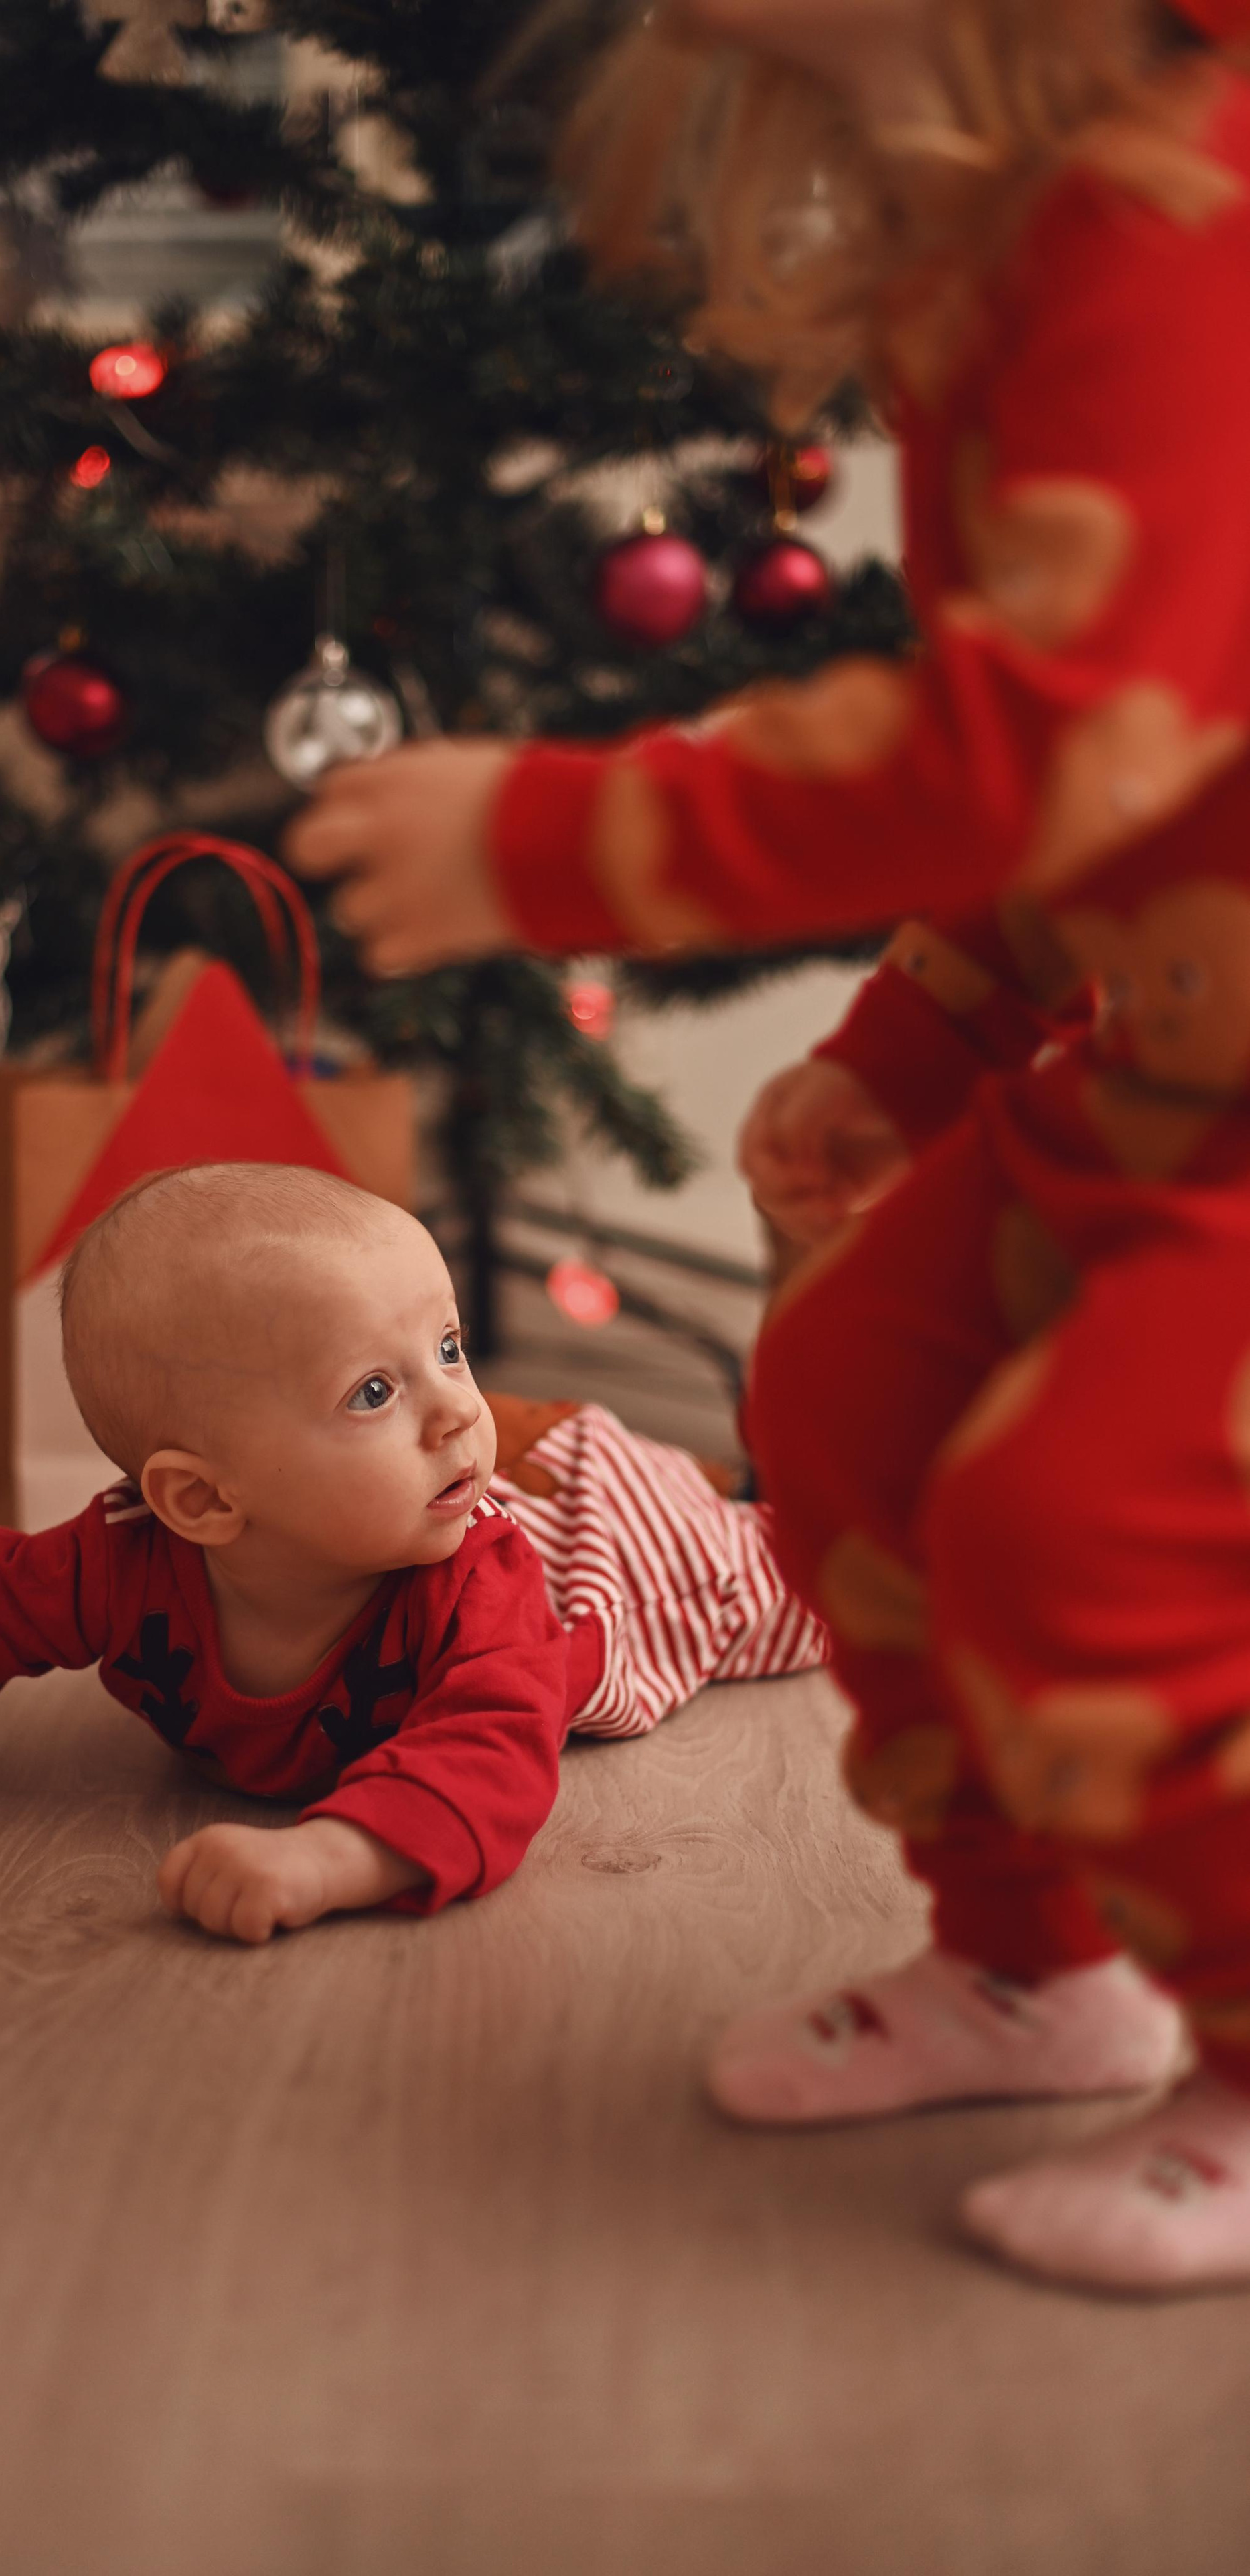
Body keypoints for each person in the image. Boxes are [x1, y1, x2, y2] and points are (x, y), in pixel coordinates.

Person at [286, 0, 1250, 2293]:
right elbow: (1147, 761)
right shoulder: (1024, 234)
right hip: (1169, 1047)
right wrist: (925, 1036)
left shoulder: (1170, 212)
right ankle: (1037, 1965)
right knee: (841, 1395)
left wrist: (565, 833)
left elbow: (1064, 730)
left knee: (1078, 1527)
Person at [0, 1164, 822, 1945]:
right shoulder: (128, 1560)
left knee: (807, 1577)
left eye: (451, 1349)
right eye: (374, 1388)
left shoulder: (472, 1579)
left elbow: (493, 1746)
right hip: (493, 1511)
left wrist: (333, 1857)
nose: (455, 1405)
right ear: (200, 1501)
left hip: (610, 1571)